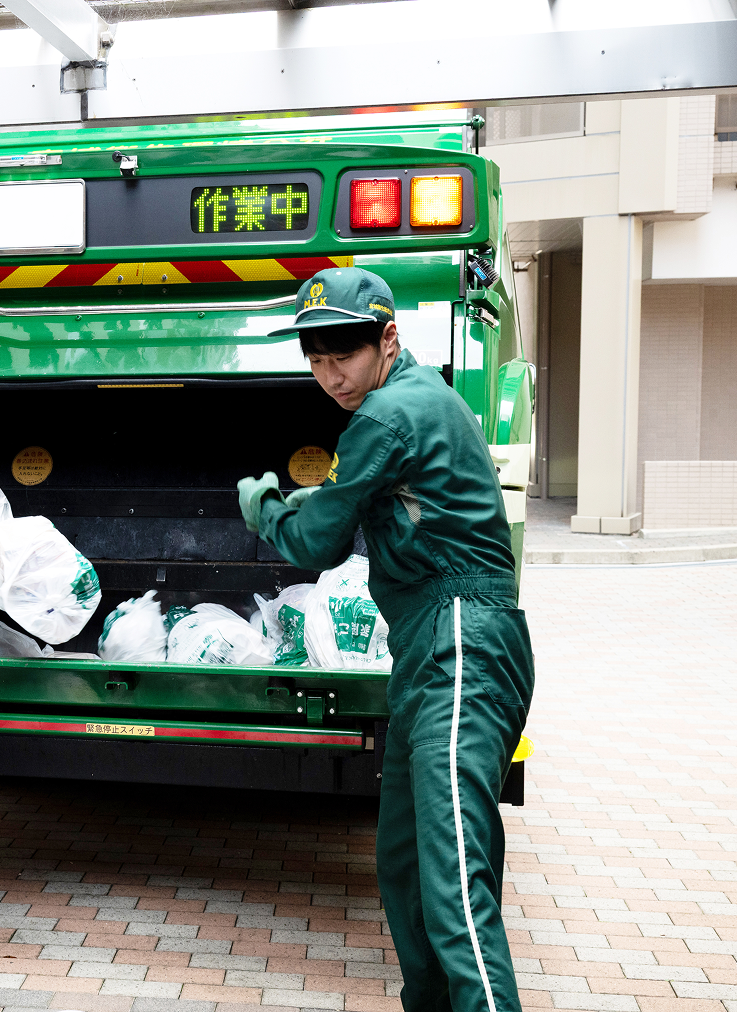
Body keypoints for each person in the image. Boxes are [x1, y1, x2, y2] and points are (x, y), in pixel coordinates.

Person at [236, 269, 533, 1012]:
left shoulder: (386, 415)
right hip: (431, 647)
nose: (330, 373)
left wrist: (266, 505)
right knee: (404, 860)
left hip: (463, 637)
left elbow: (314, 543)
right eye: (315, 355)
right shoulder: (408, 403)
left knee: (452, 870)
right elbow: (370, 504)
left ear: (388, 339)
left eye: (345, 353)